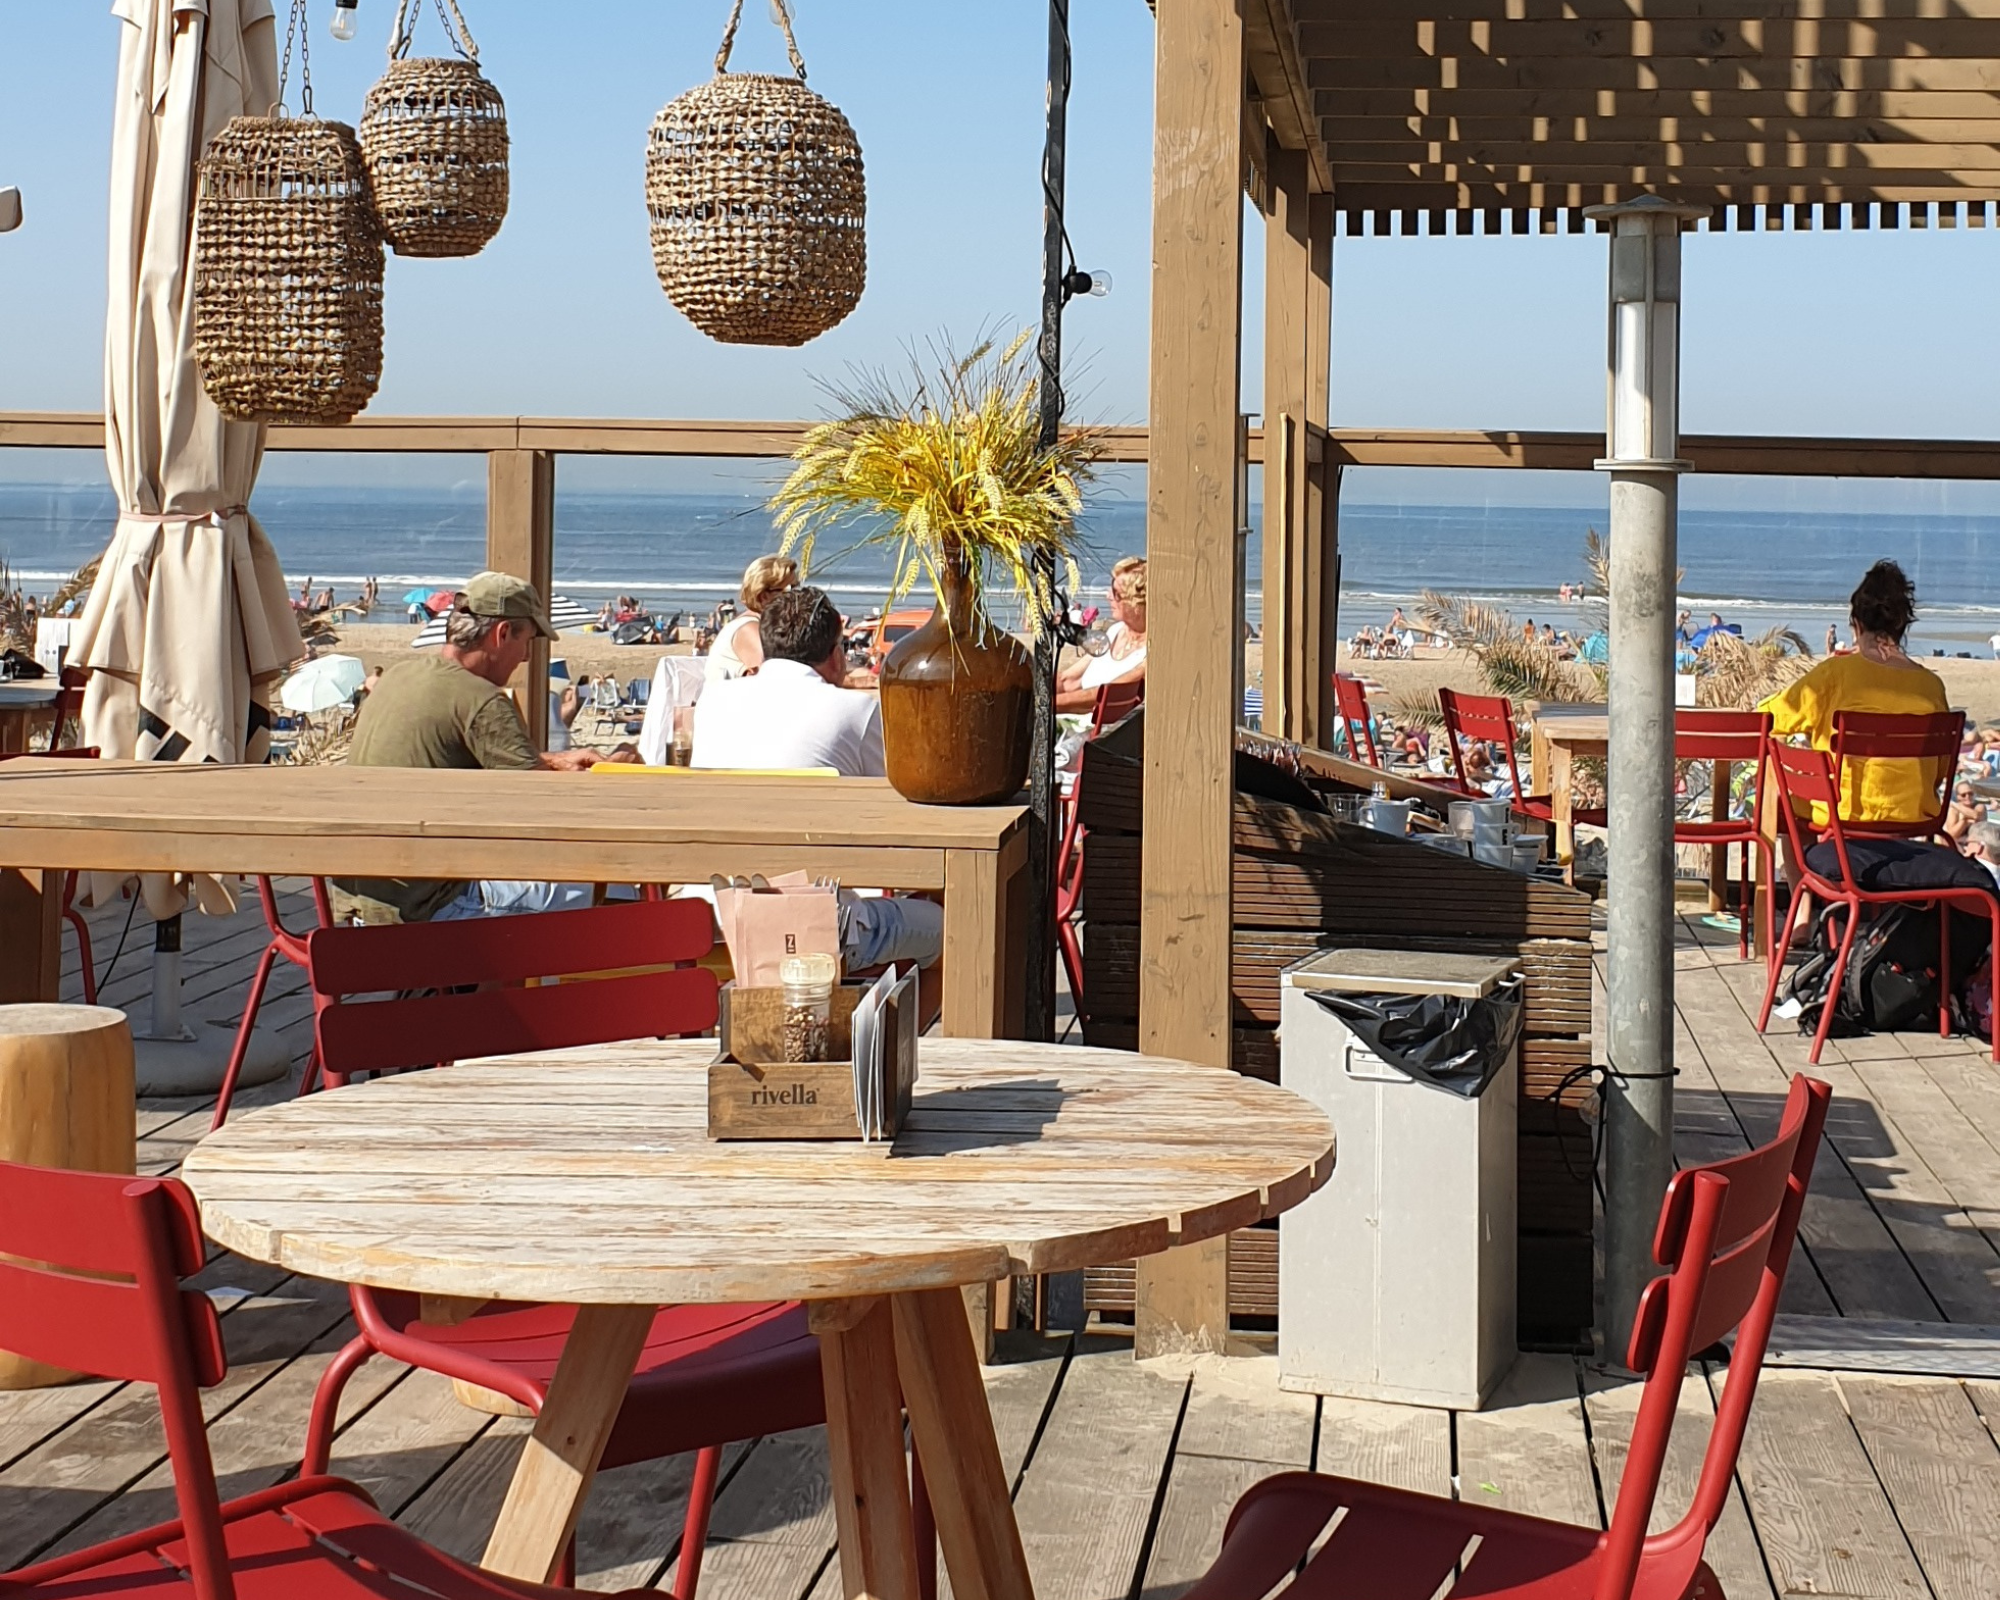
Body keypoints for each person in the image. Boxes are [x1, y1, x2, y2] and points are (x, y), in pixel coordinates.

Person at [329, 573, 633, 926]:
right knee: (592, 881)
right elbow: (546, 809)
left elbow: (453, 761)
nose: (525, 658)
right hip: (423, 911)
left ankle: (482, 980)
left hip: (358, 900)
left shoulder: (399, 676)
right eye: (527, 642)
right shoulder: (481, 700)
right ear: (502, 634)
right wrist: (615, 769)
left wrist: (552, 760)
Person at [690, 586, 939, 971]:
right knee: (952, 932)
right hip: (817, 930)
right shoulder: (855, 709)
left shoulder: (713, 702)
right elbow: (901, 802)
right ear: (837, 654)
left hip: (717, 917)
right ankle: (882, 1032)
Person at [1762, 559, 1951, 844]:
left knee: (1784, 811)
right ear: (1901, 626)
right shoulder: (1931, 686)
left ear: (1857, 625)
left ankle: (1809, 887)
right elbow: (1941, 770)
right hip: (1914, 817)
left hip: (1844, 815)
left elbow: (1769, 717)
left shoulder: (1834, 675)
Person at [1055, 557, 1147, 713]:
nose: (1108, 595)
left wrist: (1047, 704)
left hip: (1106, 734)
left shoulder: (1151, 652)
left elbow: (1105, 693)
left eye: (1116, 592)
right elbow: (1069, 681)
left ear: (1137, 603)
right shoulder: (1114, 632)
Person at [705, 555, 800, 684]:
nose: (798, 596)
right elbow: (776, 678)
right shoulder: (749, 629)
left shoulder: (765, 626)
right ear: (763, 596)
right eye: (789, 590)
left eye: (797, 587)